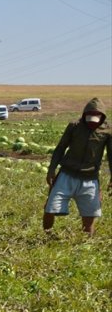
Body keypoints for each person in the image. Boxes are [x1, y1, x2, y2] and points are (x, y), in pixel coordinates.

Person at [44, 98, 111, 236]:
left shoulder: (108, 131)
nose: (92, 122)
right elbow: (60, 148)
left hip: (90, 179)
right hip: (66, 175)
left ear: (102, 117)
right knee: (50, 209)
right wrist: (51, 169)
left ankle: (86, 245)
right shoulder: (74, 126)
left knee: (89, 219)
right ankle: (46, 237)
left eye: (96, 119)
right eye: (89, 118)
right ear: (84, 115)